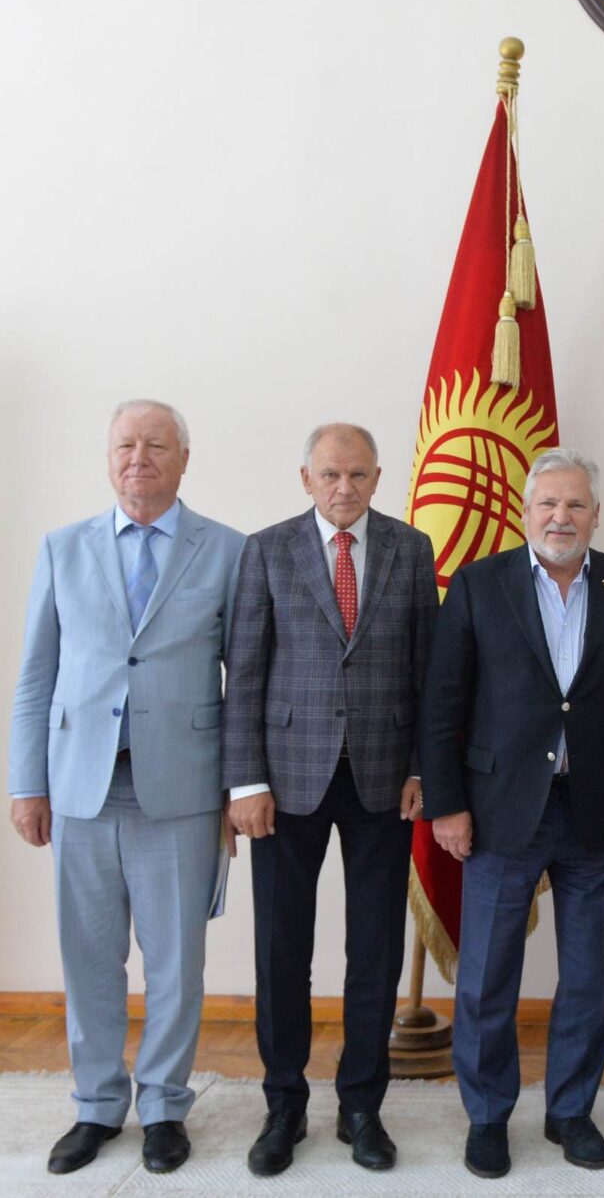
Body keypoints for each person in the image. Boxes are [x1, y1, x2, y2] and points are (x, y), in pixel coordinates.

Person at [7, 399, 244, 1175]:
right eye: (126, 445)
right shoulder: (62, 547)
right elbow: (36, 675)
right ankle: (97, 1104)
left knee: (175, 960)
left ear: (184, 458)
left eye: (156, 445)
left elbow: (244, 680)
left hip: (182, 789)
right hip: (79, 785)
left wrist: (241, 786)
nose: (139, 457)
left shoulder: (228, 551)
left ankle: (166, 1105)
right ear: (108, 457)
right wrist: (26, 782)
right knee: (89, 957)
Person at [418, 449, 604, 1180]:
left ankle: (571, 1112)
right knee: (487, 973)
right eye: (549, 504)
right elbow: (443, 704)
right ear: (526, 512)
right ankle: (488, 1116)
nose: (562, 516)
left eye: (576, 504)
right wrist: (447, 805)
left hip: (594, 810)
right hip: (497, 811)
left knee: (587, 973)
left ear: (597, 515)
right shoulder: (478, 583)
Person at [223, 423, 438, 1176]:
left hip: (384, 777)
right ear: (306, 478)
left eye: (358, 474)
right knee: (282, 949)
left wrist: (424, 767)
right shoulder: (267, 549)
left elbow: (429, 671)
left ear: (378, 477)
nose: (344, 487)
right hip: (285, 781)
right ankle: (284, 1104)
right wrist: (246, 781)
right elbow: (245, 671)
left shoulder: (411, 548)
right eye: (330, 474)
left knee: (374, 950)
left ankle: (361, 1106)